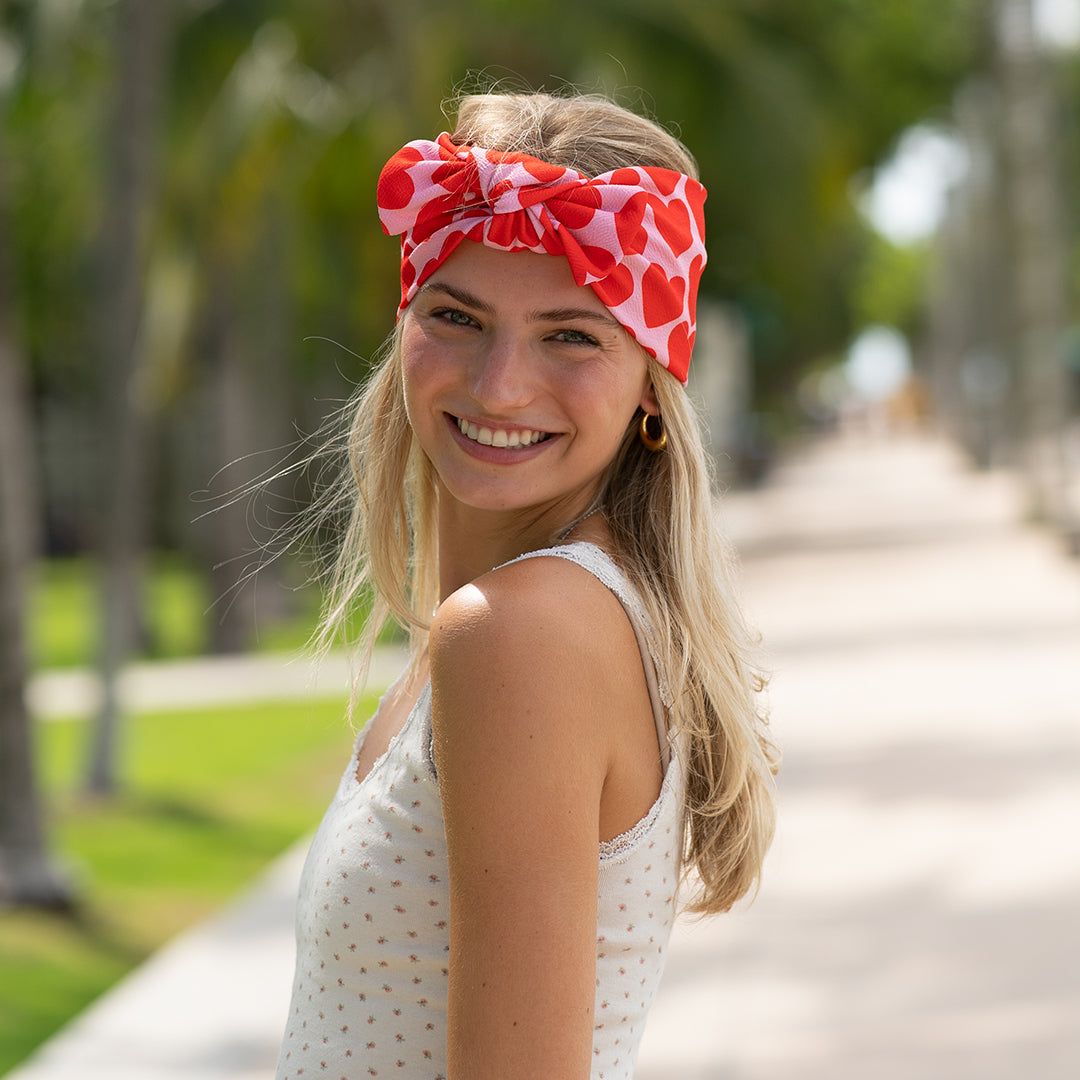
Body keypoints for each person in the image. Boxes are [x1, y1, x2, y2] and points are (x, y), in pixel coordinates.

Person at [276, 89, 777, 1080]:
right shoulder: (554, 615)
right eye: (456, 315)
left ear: (651, 387)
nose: (499, 385)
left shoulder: (520, 634)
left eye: (572, 335)